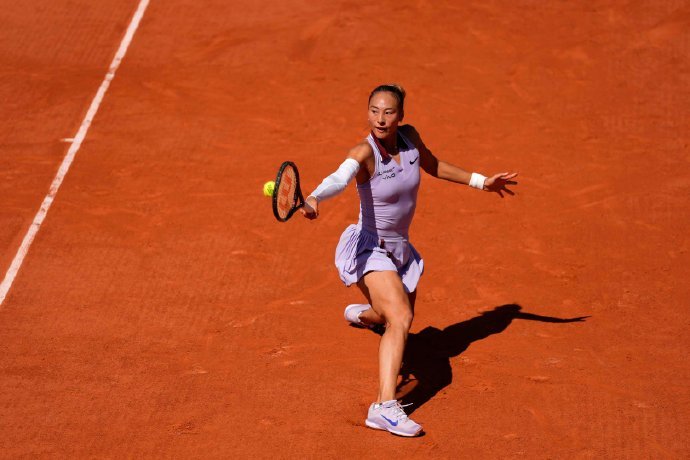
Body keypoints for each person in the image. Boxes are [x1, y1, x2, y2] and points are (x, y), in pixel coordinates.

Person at [300, 84, 518, 437]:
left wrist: (482, 182)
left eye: (388, 112)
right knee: (400, 316)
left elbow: (434, 165)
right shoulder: (364, 152)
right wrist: (314, 197)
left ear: (400, 116)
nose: (380, 119)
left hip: (400, 248)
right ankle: (383, 408)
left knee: (393, 315)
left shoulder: (410, 138)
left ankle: (363, 314)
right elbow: (339, 178)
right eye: (374, 111)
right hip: (370, 247)